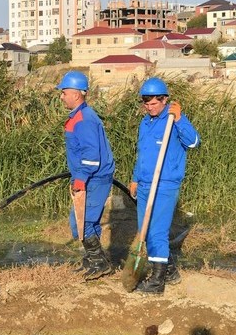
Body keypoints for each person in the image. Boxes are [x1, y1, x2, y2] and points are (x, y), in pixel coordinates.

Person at [129, 77, 200, 294]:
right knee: (146, 231)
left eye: (154, 103)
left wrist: (179, 119)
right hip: (144, 184)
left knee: (156, 232)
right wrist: (135, 178)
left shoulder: (173, 119)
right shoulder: (145, 122)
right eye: (146, 103)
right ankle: (169, 271)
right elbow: (143, 154)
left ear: (165, 99)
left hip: (165, 184)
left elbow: (194, 142)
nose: (150, 107)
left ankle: (157, 283)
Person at [56, 71, 116, 281]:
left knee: (82, 222)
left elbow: (91, 154)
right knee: (86, 222)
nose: (61, 97)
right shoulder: (78, 116)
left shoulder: (84, 119)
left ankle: (100, 263)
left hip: (94, 178)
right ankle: (92, 260)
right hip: (90, 176)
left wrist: (81, 178)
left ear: (76, 94)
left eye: (64, 93)